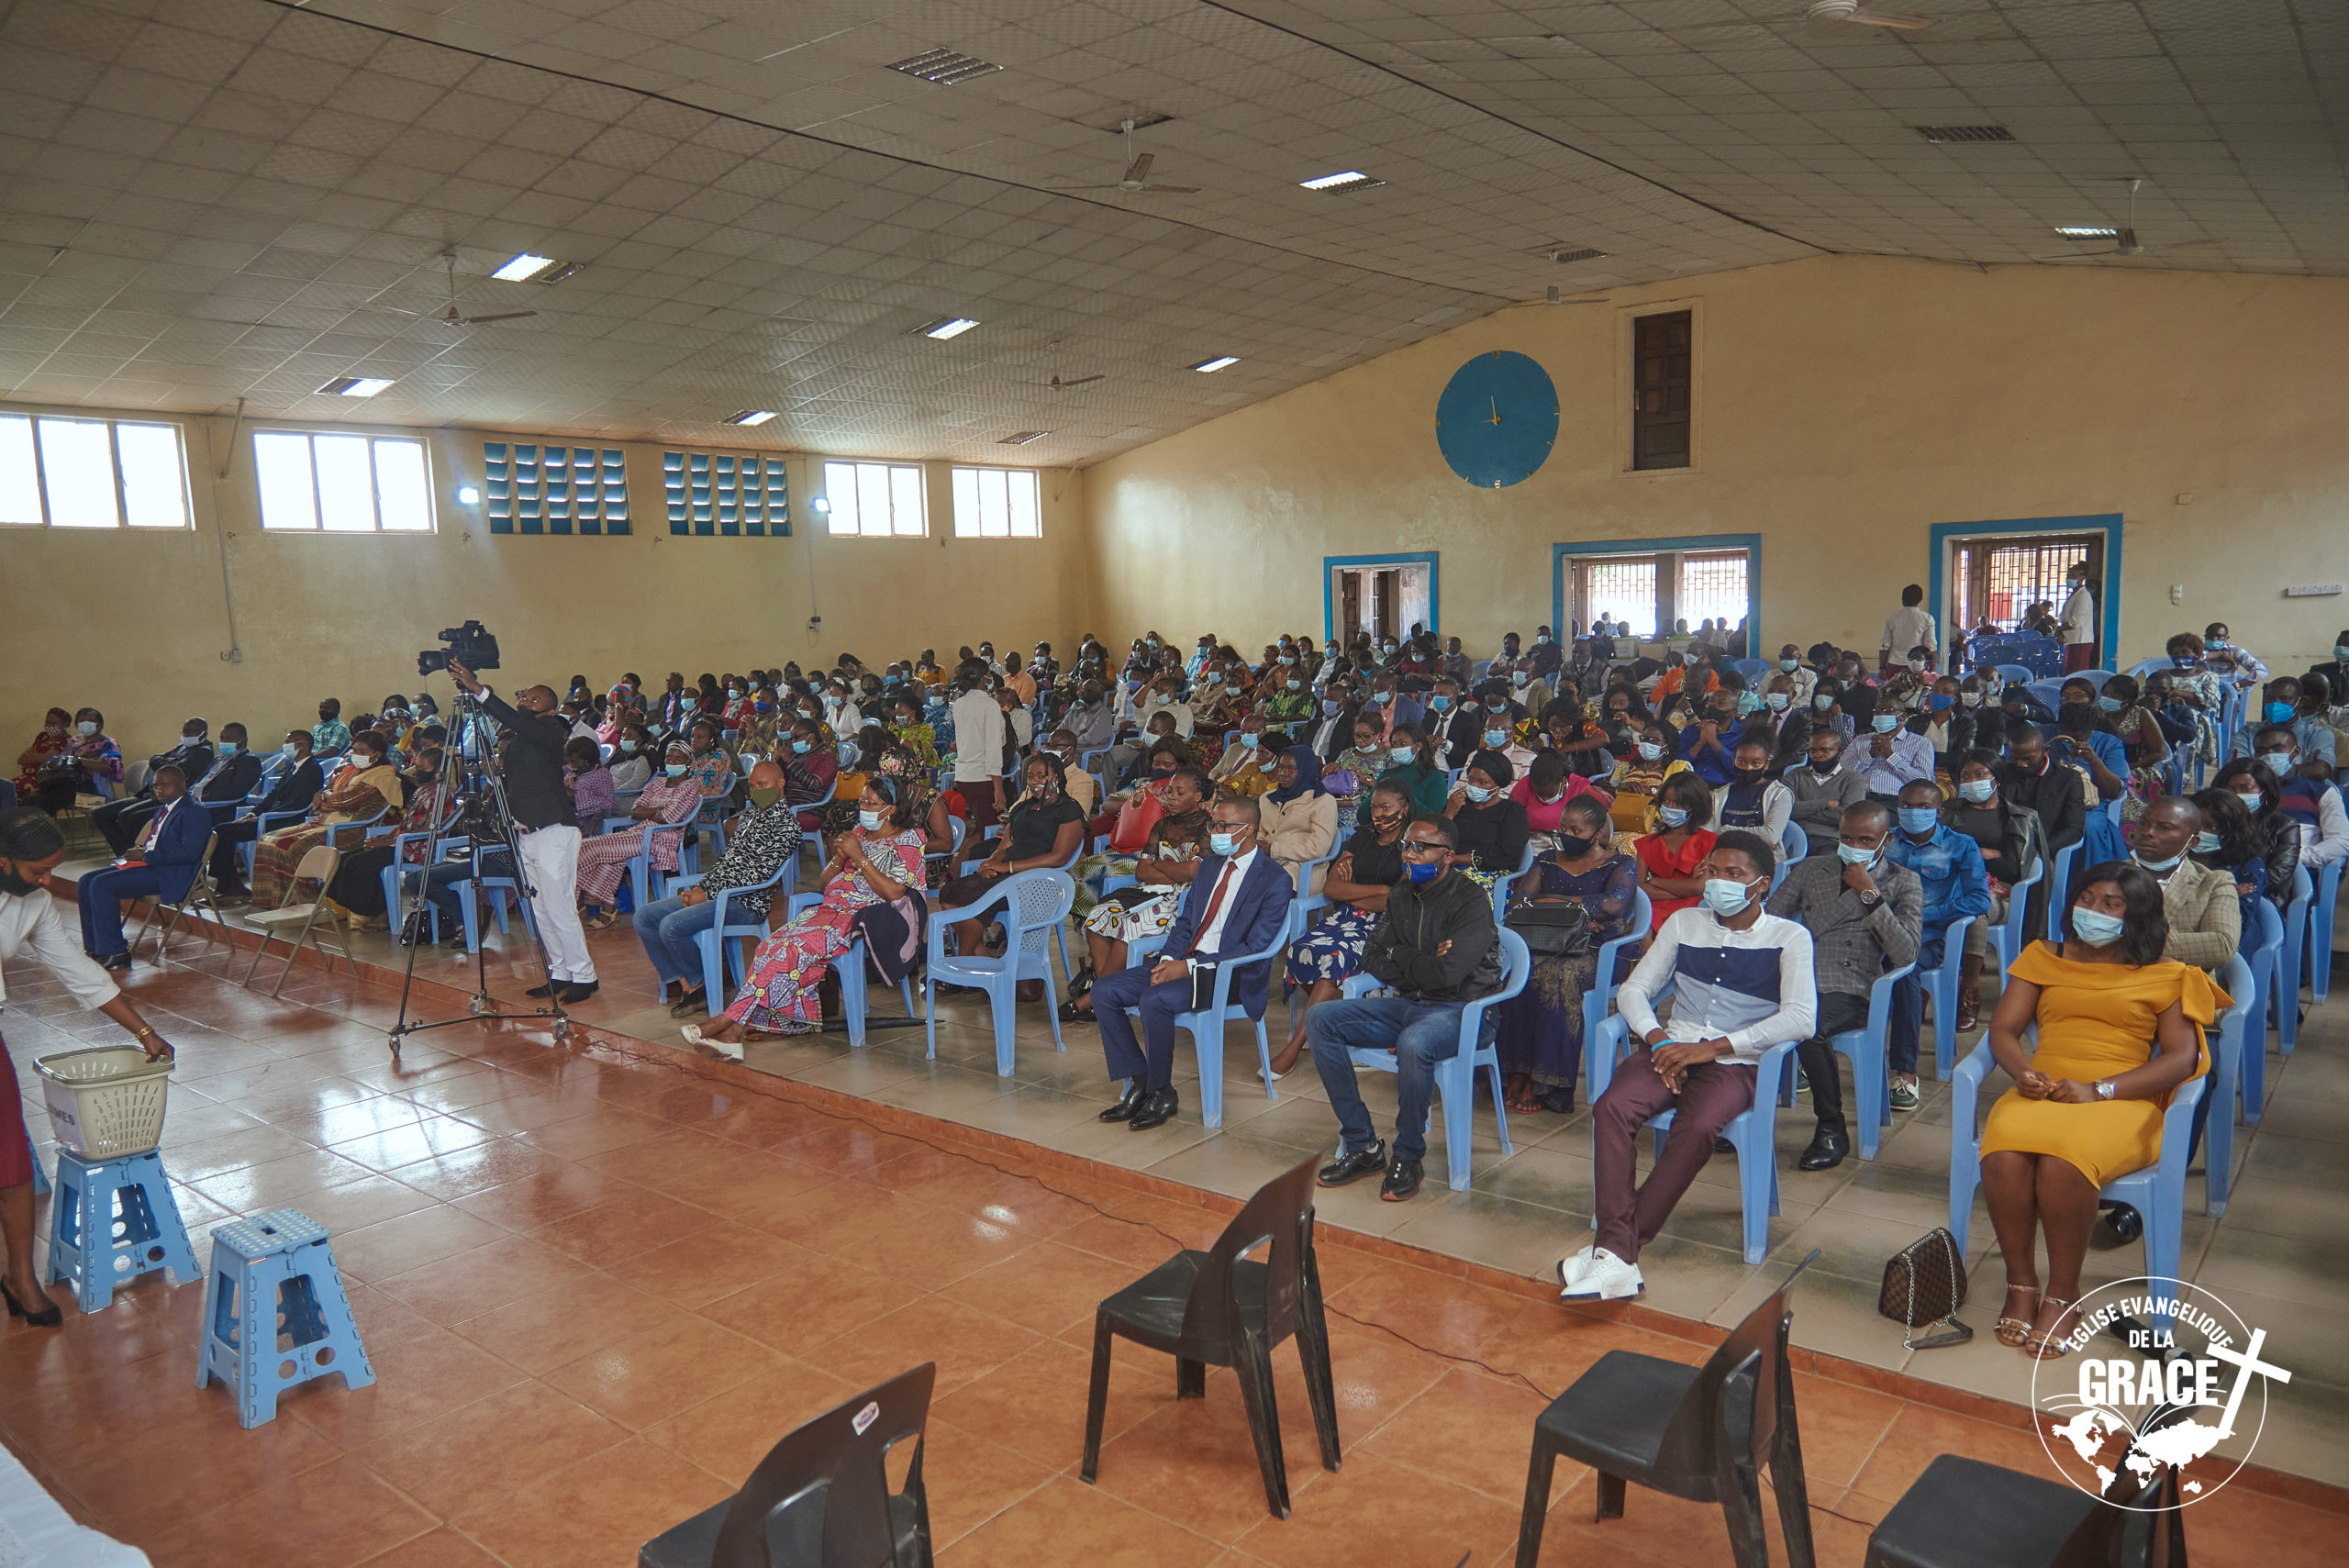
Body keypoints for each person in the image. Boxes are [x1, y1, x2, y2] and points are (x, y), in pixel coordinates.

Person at [1563, 831, 1815, 1301]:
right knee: (1611, 1108)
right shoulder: (1684, 924)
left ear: (1762, 884)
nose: (1720, 882)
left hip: (1736, 1062)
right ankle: (1617, 1256)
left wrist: (1713, 1047)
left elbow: (1801, 1018)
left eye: (1734, 874)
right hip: (1670, 1047)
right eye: (1714, 872)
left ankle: (1616, 1251)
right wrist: (1658, 1039)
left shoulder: (1789, 937)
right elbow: (1635, 991)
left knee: (1697, 1127)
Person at [1976, 864, 2219, 1355]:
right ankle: (2021, 1285)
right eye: (2087, 899)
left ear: (2139, 917)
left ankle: (2065, 1293)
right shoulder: (2043, 956)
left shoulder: (2169, 975)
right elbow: (2003, 1030)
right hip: (2042, 1086)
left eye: (2112, 905)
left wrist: (2100, 1089)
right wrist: (2022, 1071)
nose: (2094, 912)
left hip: (2121, 1096)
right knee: (2002, 1156)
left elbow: (2181, 1058)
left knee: (2064, 1163)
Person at [0, 808, 177, 1326]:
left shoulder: (31, 903)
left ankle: (21, 1277)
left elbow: (79, 973)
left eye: (51, 870)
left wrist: (143, 1031)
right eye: (37, 871)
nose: (47, 881)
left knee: (10, 1167)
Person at [1305, 813, 1504, 1201]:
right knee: (1321, 1019)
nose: (1409, 856)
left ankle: (1409, 1155)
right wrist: (1420, 959)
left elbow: (1449, 976)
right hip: (1413, 1002)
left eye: (1420, 847)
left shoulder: (1471, 900)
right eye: (1406, 847)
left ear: (1447, 855)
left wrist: (1406, 958)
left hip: (1466, 1012)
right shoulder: (1400, 894)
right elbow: (1373, 954)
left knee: (1414, 1042)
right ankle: (1362, 1145)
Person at [1093, 793, 1293, 1131]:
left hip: (1230, 976)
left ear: (1248, 830)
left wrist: (1187, 968)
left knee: (1154, 1000)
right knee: (1105, 991)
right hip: (1184, 961)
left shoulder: (1274, 879)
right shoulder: (1210, 866)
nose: (1214, 832)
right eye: (1213, 824)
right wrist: (1170, 958)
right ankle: (1142, 1082)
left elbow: (1255, 947)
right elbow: (1186, 923)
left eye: (1222, 826)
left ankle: (1161, 1093)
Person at [685, 778, 924, 1051]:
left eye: (872, 803)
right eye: (862, 802)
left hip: (863, 917)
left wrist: (858, 857)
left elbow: (895, 893)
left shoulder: (909, 839)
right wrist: (839, 857)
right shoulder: (858, 833)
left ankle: (725, 1022)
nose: (865, 808)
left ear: (891, 809)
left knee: (788, 951)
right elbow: (824, 883)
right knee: (768, 947)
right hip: (827, 912)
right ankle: (732, 1034)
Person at [1766, 801, 1922, 1170]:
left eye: (1866, 839)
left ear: (1887, 839)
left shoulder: (1903, 881)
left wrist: (1869, 894)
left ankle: (1831, 1126)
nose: (1854, 846)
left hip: (1851, 987)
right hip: (1796, 975)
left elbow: (1905, 954)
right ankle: (1734, 1111)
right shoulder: (1812, 869)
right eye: (1847, 838)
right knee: (1737, 1011)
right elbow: (1771, 917)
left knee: (1810, 1029)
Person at [444, 660, 598, 1003]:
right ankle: (560, 971)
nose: (526, 702)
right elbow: (524, 776)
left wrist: (479, 690)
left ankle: (585, 976)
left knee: (560, 907)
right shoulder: (521, 737)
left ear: (551, 708)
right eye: (524, 698)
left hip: (554, 831)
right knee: (540, 908)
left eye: (534, 699)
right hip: (526, 832)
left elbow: (517, 722)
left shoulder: (553, 729)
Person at [1495, 795, 1637, 1115]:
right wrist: (1578, 909)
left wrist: (1551, 903)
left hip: (1599, 950)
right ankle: (1514, 1071)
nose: (1567, 835)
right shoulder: (1546, 859)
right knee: (1508, 974)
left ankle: (1548, 1082)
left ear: (1598, 832)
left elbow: (1614, 905)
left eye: (1576, 829)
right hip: (1543, 941)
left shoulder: (1620, 864)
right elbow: (1519, 903)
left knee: (1558, 976)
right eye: (1563, 828)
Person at [1271, 780, 1413, 1076]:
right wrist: (1378, 890)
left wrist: (1367, 891)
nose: (1379, 814)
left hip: (1389, 924)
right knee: (1300, 949)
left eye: (1386, 808)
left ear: (1405, 808)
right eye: (1374, 807)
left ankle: (1295, 1046)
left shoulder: (1411, 846)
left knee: (1332, 960)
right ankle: (1320, 1021)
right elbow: (1334, 889)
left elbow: (1395, 899)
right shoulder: (1362, 838)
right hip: (1347, 917)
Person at [1884, 778, 1991, 1111]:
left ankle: (1904, 1071)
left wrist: (1926, 914)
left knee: (1905, 973)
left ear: (1939, 812)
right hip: (1876, 931)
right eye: (1906, 806)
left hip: (1927, 938)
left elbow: (1979, 899)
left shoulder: (1960, 845)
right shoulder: (1883, 840)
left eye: (1923, 807)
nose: (1913, 812)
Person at [937, 752, 1086, 987]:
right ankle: (981, 965)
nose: (1035, 781)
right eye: (1030, 776)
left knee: (970, 899)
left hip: (1038, 880)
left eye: (1041, 775)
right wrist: (991, 863)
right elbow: (1006, 844)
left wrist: (1006, 866)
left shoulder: (1068, 810)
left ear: (1056, 776)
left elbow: (1060, 857)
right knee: (950, 893)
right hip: (1007, 873)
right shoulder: (1024, 808)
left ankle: (962, 966)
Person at [72, 763, 210, 972]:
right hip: (153, 864)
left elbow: (189, 853)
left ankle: (115, 952)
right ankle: (96, 948)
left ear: (183, 784)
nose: (160, 790)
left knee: (102, 885)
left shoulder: (193, 812)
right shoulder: (164, 808)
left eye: (166, 785)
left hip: (174, 873)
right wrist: (138, 855)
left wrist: (146, 856)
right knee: (86, 881)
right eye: (156, 786)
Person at [1944, 751, 2045, 1028]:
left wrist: (1973, 858)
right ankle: (1927, 986)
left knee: (1975, 908)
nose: (1972, 781)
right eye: (1966, 776)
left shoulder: (2017, 816)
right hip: (1951, 886)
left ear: (1995, 778)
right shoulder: (1951, 812)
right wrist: (1986, 854)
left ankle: (1969, 989)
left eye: (1979, 774)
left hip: (2001, 893)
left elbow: (2015, 867)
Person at [248, 731, 400, 909]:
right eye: (355, 750)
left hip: (351, 830)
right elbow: (321, 793)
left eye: (363, 751)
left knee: (289, 846)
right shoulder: (349, 772)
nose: (357, 755)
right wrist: (328, 798)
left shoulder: (383, 777)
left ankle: (304, 902)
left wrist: (328, 801)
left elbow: (346, 800)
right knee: (268, 840)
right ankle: (273, 901)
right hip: (324, 822)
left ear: (377, 754)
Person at [573, 740, 703, 929]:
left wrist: (653, 811)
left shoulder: (690, 787)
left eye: (678, 759)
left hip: (660, 838)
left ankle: (578, 903)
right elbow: (635, 811)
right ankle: (607, 909)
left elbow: (669, 817)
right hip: (638, 833)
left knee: (590, 848)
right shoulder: (658, 782)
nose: (672, 762)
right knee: (599, 851)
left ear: (689, 763)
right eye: (669, 757)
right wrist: (657, 810)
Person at [323, 745, 450, 929]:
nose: (419, 772)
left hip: (417, 848)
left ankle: (372, 913)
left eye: (424, 769)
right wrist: (382, 841)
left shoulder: (441, 794)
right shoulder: (422, 790)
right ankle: (343, 909)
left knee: (359, 863)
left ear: (438, 769)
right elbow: (404, 824)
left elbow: (427, 828)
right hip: (399, 842)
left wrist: (388, 843)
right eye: (418, 768)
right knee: (344, 858)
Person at [209, 730, 326, 900]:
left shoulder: (313, 769)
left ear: (303, 744)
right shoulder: (292, 767)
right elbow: (273, 796)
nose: (286, 746)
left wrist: (266, 816)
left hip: (286, 820)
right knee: (222, 830)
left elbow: (298, 803)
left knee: (224, 831)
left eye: (290, 742)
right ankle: (227, 883)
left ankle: (228, 885)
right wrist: (252, 813)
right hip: (271, 816)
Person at [2127, 796, 2240, 971]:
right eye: (2143, 823)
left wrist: (2130, 945)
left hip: (2178, 986)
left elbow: (2221, 945)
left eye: (2164, 828)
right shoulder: (2111, 875)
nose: (2147, 832)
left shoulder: (2214, 883)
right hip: (2109, 981)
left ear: (2192, 842)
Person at [2248, 727, 2349, 867]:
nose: (2269, 755)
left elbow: (2341, 841)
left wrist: (2295, 856)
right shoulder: (2248, 791)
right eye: (2261, 751)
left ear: (2296, 752)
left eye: (2277, 749)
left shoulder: (2321, 793)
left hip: (2299, 869)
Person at [2213, 760, 2304, 904]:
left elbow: (2275, 878)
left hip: (2262, 901)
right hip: (2211, 895)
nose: (2236, 796)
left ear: (2265, 793)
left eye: (2245, 789)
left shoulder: (2284, 826)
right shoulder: (2212, 823)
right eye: (2229, 790)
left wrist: (2230, 889)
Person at [1633, 772, 1719, 924]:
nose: (1670, 807)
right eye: (1666, 801)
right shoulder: (1647, 843)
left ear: (1695, 806)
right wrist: (1686, 889)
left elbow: (1700, 887)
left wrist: (1655, 883)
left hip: (1693, 913)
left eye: (1678, 803)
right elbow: (1639, 890)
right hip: (1652, 912)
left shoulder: (1709, 841)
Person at [1256, 743, 1340, 895]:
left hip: (1302, 869)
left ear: (1305, 770)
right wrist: (1260, 844)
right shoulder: (1267, 798)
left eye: (1291, 769)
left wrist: (1274, 849)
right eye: (1281, 767)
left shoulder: (1322, 801)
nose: (1283, 773)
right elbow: (1260, 834)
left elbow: (1318, 847)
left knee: (1264, 889)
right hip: (1266, 862)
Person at [1443, 750, 1531, 883]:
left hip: (1490, 875)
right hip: (1447, 868)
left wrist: (1454, 859)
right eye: (1471, 780)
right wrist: (1448, 814)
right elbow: (1433, 840)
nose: (1474, 786)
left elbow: (1507, 856)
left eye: (1482, 782)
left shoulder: (1512, 811)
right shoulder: (1457, 805)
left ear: (1498, 785)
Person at [1787, 728, 1866, 860]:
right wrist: (1825, 804)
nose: (1818, 754)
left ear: (1840, 753)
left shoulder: (1853, 779)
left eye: (1825, 750)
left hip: (1831, 841)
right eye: (1813, 750)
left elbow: (1848, 818)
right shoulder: (1795, 775)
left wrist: (1802, 810)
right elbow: (1785, 810)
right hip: (1793, 838)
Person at [1606, 719, 1695, 834]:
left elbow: (1685, 802)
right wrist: (1621, 788)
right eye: (1644, 739)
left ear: (1667, 746)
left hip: (1656, 827)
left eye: (1654, 740)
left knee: (1630, 845)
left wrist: (1651, 791)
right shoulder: (1626, 766)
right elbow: (1608, 795)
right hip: (1621, 821)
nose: (1647, 744)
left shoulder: (1679, 768)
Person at [950, 663, 1009, 830]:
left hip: (963, 776)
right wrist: (998, 787)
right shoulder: (989, 705)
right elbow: (993, 747)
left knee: (981, 828)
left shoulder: (959, 704)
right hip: (982, 778)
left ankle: (968, 856)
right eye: (989, 674)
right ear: (984, 678)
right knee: (993, 829)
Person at [1710, 738, 1790, 854]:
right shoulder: (1720, 794)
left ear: (1766, 764)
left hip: (1764, 859)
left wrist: (1726, 830)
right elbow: (1709, 834)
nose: (1748, 767)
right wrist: (1757, 836)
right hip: (1724, 857)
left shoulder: (1780, 794)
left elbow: (1770, 837)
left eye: (1756, 763)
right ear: (1734, 761)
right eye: (1741, 762)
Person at [2238, 678, 2338, 767]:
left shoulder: (2317, 734)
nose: (2275, 704)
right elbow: (2236, 768)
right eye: (2270, 699)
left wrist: (2282, 774)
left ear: (2300, 702)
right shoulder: (2247, 732)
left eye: (2285, 699)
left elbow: (2320, 770)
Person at [1853, 707, 1933, 802]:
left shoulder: (1920, 742)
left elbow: (1924, 782)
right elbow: (1844, 774)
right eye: (1877, 712)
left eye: (1888, 711)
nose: (1881, 715)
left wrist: (1890, 755)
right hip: (1859, 797)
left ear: (1903, 717)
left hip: (1894, 800)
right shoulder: (1860, 740)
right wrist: (1869, 756)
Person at [12, 708, 74, 803]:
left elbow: (46, 759)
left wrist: (35, 756)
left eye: (54, 723)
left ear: (64, 725)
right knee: (5, 786)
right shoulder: (42, 737)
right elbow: (21, 760)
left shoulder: (65, 740)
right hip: (27, 776)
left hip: (45, 780)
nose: (49, 726)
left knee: (13, 789)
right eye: (47, 722)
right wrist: (37, 757)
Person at [1879, 584, 1938, 674]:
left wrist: (1882, 668)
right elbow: (1931, 645)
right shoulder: (1927, 618)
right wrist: (1932, 670)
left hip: (1894, 664)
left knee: (1893, 688)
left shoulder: (1892, 618)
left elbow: (1884, 645)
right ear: (1920, 599)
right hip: (1918, 665)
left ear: (1903, 599)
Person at [566, 736, 614, 836]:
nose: (570, 765)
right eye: (569, 761)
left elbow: (607, 802)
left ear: (587, 760)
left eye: (574, 762)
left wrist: (575, 795)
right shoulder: (575, 771)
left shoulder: (602, 774)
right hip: (569, 815)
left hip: (587, 822)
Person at [2057, 561, 2098, 674]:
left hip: (2080, 640)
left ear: (2082, 578)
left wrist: (2060, 629)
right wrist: (2061, 631)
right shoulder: (2073, 595)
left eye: (2073, 576)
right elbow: (2063, 617)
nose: (2069, 578)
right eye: (2068, 576)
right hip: (2071, 640)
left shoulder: (2083, 596)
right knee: (2069, 672)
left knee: (2077, 673)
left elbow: (2075, 622)